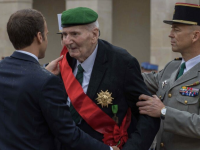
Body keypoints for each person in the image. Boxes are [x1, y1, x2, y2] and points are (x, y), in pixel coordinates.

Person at [0, 8, 119, 150]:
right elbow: (68, 133)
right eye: (47, 34)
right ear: (39, 37)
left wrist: (43, 72)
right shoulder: (46, 81)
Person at [49, 7, 160, 150]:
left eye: (74, 34)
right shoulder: (61, 64)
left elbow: (148, 113)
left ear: (94, 34)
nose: (67, 41)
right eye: (64, 35)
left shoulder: (122, 62)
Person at [136, 2, 200, 150]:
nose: (170, 34)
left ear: (195, 35)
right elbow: (139, 79)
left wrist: (164, 112)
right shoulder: (173, 67)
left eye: (176, 30)